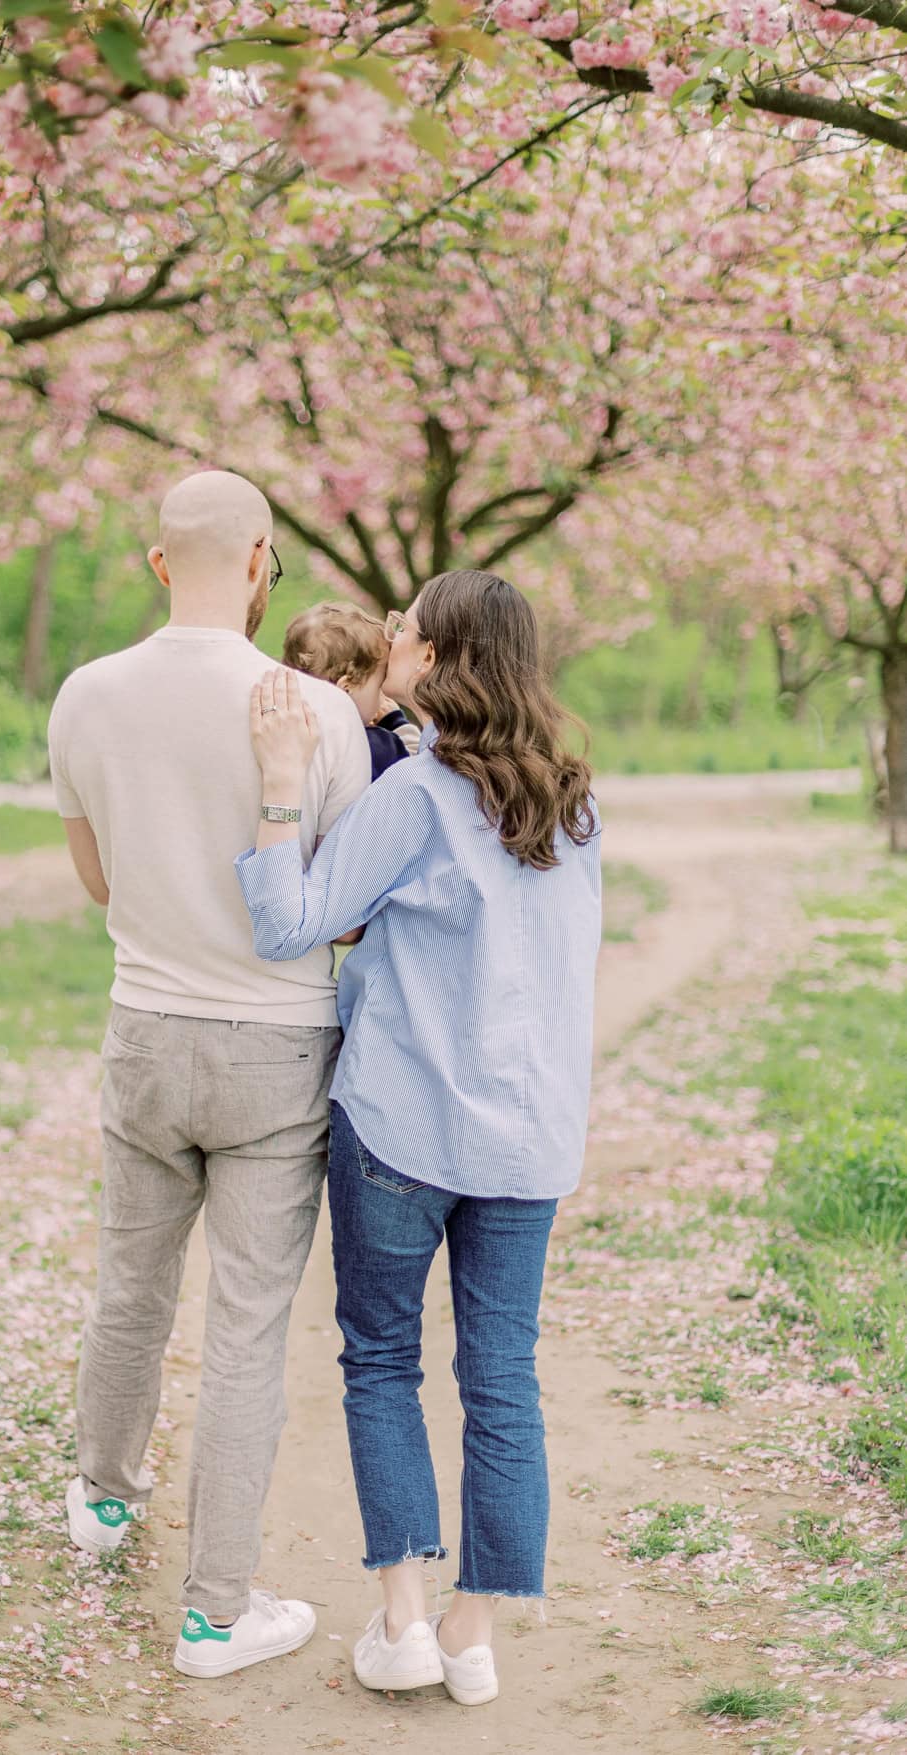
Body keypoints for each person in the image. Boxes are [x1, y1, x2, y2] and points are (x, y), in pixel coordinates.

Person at [234, 569, 601, 1707]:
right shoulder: (575, 801)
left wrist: (283, 788)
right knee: (503, 1376)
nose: (387, 640)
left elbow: (287, 923)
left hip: (399, 1125)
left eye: (402, 630)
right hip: (528, 1137)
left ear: (434, 661)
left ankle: (401, 1621)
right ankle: (473, 1634)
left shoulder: (419, 794)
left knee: (383, 1359)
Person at [47, 470, 370, 1679]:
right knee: (244, 1327)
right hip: (275, 1047)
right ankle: (215, 1614)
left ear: (154, 561)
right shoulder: (314, 712)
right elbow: (331, 905)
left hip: (145, 1023)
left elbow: (99, 884)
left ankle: (103, 1497)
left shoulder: (86, 697)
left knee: (129, 1286)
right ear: (259, 564)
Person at [282, 600, 419, 779]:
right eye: (379, 687)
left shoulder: (290, 738)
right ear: (346, 690)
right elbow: (416, 768)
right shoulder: (375, 746)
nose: (383, 697)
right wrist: (395, 722)